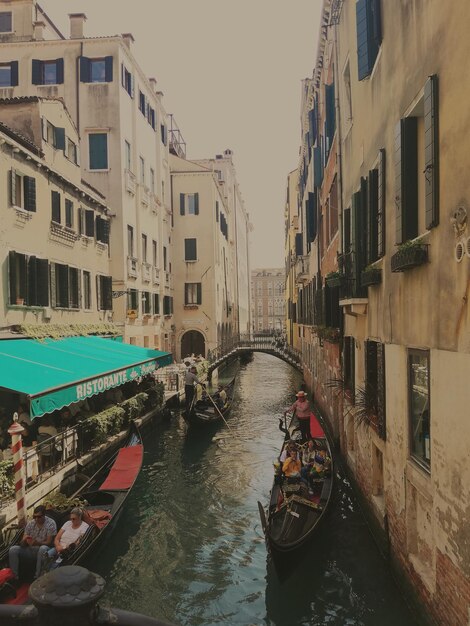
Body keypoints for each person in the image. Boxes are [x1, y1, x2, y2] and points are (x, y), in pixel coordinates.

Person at [9, 505, 57, 581]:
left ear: (44, 515)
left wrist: (37, 543)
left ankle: (37, 577)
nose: (36, 519)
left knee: (42, 548)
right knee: (13, 549)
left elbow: (49, 542)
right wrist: (25, 541)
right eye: (34, 517)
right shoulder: (31, 523)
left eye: (39, 517)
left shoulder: (51, 523)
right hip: (30, 549)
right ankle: (14, 577)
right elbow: (22, 541)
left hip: (44, 550)